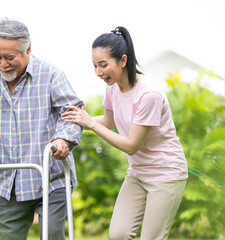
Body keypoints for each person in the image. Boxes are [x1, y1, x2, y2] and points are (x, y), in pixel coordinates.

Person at [0, 18, 83, 240]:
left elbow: (72, 113)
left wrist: (64, 140)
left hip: (50, 177)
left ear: (28, 50)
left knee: (51, 234)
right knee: (8, 235)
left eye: (10, 57)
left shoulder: (50, 74)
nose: (3, 64)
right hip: (7, 180)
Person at [62, 26, 188, 240]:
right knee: (119, 234)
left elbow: (131, 144)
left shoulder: (149, 94)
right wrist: (79, 121)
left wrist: (91, 125)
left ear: (122, 60)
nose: (98, 72)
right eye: (94, 66)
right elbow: (109, 121)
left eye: (103, 65)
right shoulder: (112, 87)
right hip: (138, 173)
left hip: (165, 174)